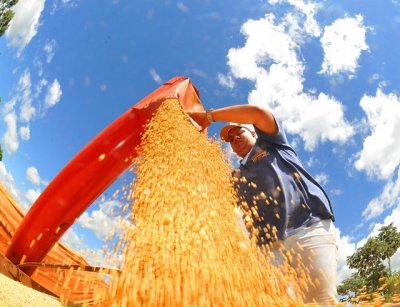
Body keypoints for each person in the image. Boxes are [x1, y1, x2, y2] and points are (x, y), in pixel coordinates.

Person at [188, 104, 338, 305]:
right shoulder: (236, 177)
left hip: (307, 228)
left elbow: (258, 114)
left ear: (252, 131)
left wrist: (209, 117)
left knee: (321, 301)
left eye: (238, 132)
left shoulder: (273, 144)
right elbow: (213, 202)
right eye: (230, 139)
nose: (234, 139)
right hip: (268, 249)